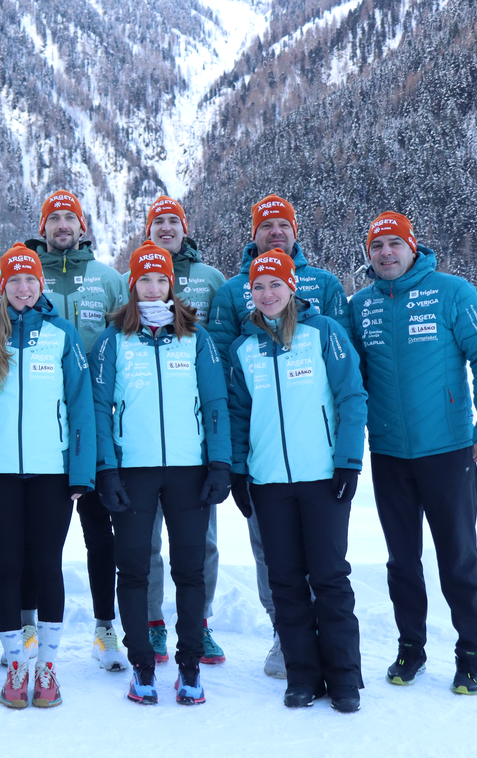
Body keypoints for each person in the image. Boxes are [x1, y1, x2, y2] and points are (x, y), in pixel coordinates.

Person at [348, 212, 477, 695]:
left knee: (457, 556)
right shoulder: (361, 306)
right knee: (402, 560)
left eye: (395, 244)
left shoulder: (452, 292)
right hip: (391, 454)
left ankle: (470, 653)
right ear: (369, 255)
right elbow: (353, 380)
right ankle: (410, 648)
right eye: (377, 247)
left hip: (449, 451)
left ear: (413, 247)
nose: (386, 253)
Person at [207, 194, 349, 677]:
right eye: (265, 226)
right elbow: (226, 369)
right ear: (254, 233)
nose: (274, 232)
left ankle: (328, 643)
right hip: (264, 445)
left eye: (282, 225)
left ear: (295, 231)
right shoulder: (231, 292)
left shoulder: (325, 286)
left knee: (324, 554)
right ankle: (282, 634)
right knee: (272, 549)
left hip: (316, 447)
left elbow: (345, 362)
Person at [91, 242, 231, 706]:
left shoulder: (197, 337)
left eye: (161, 279)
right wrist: (106, 470)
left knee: (189, 570)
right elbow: (99, 408)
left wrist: (220, 463)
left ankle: (190, 667)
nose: (153, 287)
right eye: (144, 280)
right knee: (132, 569)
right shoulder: (114, 339)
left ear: (172, 284)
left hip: (189, 472)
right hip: (133, 471)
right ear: (132, 286)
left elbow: (215, 404)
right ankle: (142, 667)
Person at [227, 251, 367, 713]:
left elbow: (351, 394)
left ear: (292, 287)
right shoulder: (243, 349)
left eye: (275, 285)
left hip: (323, 478)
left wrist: (348, 460)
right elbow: (238, 415)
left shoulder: (323, 332)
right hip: (269, 483)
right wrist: (239, 472)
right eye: (258, 287)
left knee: (328, 577)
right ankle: (303, 675)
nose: (267, 294)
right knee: (285, 580)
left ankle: (344, 677)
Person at [0, 244, 96, 709]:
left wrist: (80, 471)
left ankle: (49, 666)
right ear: (3, 286)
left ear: (41, 286)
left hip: (51, 474)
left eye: (30, 280)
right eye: (14, 280)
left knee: (47, 565)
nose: (23, 287)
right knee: (9, 567)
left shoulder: (62, 335)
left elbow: (80, 407)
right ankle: (16, 663)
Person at [26, 190, 128, 671]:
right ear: (43, 227)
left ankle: (106, 628)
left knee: (99, 532)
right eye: (54, 218)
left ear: (82, 226)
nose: (62, 225)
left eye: (70, 217)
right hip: (38, 425)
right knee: (31, 536)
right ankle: (25, 628)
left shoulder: (108, 279)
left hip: (95, 423)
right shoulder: (25, 274)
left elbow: (129, 346)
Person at [135, 196, 229, 667]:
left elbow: (223, 350)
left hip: (191, 441)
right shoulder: (133, 280)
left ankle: (201, 623)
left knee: (201, 542)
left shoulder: (212, 280)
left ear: (184, 228)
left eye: (174, 221)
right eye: (158, 222)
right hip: (143, 442)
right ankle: (152, 625)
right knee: (146, 542)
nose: (166, 228)